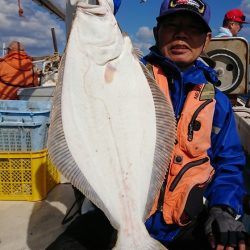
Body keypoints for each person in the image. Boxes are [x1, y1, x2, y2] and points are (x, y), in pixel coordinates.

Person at [47, 1, 248, 250]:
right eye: (171, 25)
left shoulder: (217, 103)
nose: (181, 34)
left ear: (207, 40)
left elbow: (228, 163)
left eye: (192, 29)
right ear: (156, 33)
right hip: (112, 218)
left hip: (184, 224)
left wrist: (223, 209)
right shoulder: (130, 75)